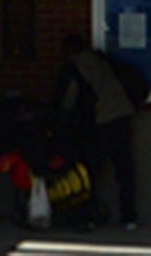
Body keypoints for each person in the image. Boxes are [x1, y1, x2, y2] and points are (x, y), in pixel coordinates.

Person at [54, 33, 138, 228]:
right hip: (123, 114)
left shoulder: (74, 67)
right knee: (125, 169)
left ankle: (88, 215)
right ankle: (129, 217)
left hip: (102, 122)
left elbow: (67, 102)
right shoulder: (101, 59)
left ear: (68, 50)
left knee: (90, 171)